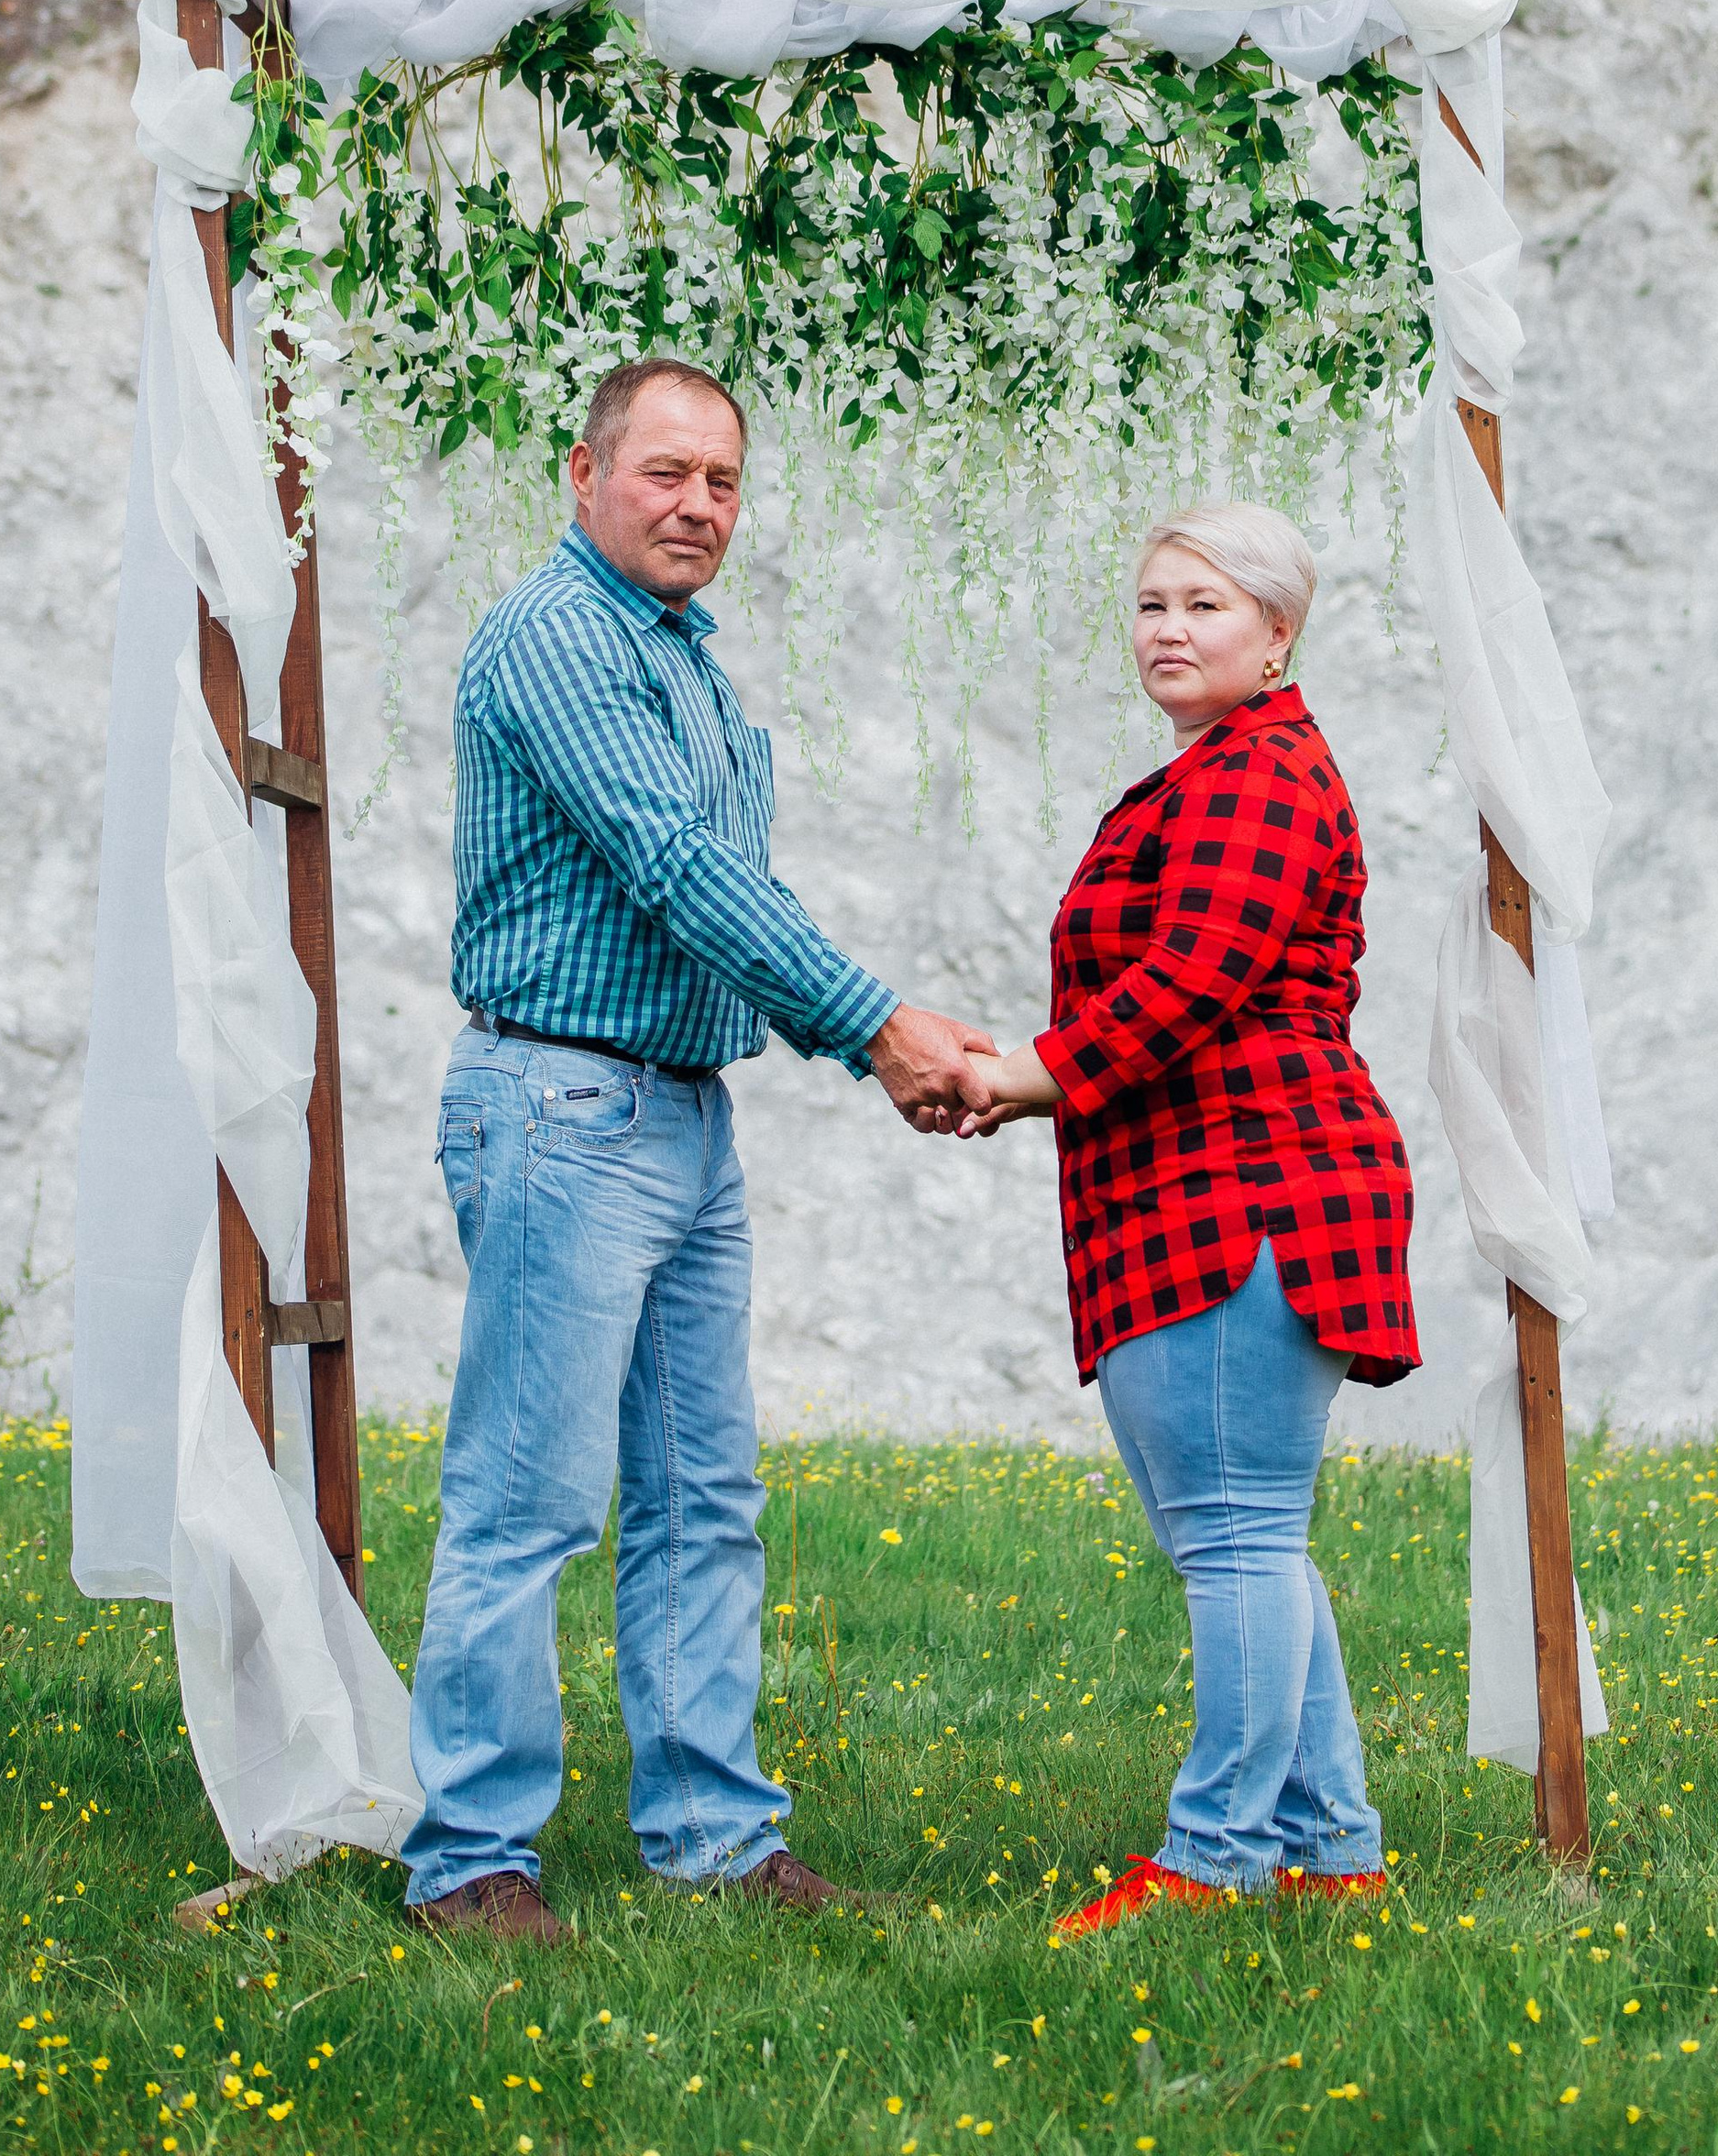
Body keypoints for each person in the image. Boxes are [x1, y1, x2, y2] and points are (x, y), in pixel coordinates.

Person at [402, 354, 994, 1942]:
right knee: (526, 1500)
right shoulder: (557, 636)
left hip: (679, 1112)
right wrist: (878, 1027)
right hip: (563, 1106)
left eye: (723, 481)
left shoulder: (684, 662)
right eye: (665, 472)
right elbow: (671, 865)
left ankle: (715, 1836)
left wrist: (868, 1030)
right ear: (583, 473)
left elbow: (730, 895)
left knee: (701, 1497)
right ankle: (467, 1859)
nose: (697, 505)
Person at [958, 502, 1418, 1934]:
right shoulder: (1224, 768)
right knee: (1246, 1538)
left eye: (1205, 606)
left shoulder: (1259, 777)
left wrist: (1021, 1077)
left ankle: (1215, 1858)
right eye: (1153, 604)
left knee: (1238, 1540)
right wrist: (1031, 1076)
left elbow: (1191, 980)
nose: (1168, 628)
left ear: (1278, 635)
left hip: (1245, 1192)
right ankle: (1333, 1850)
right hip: (1198, 1188)